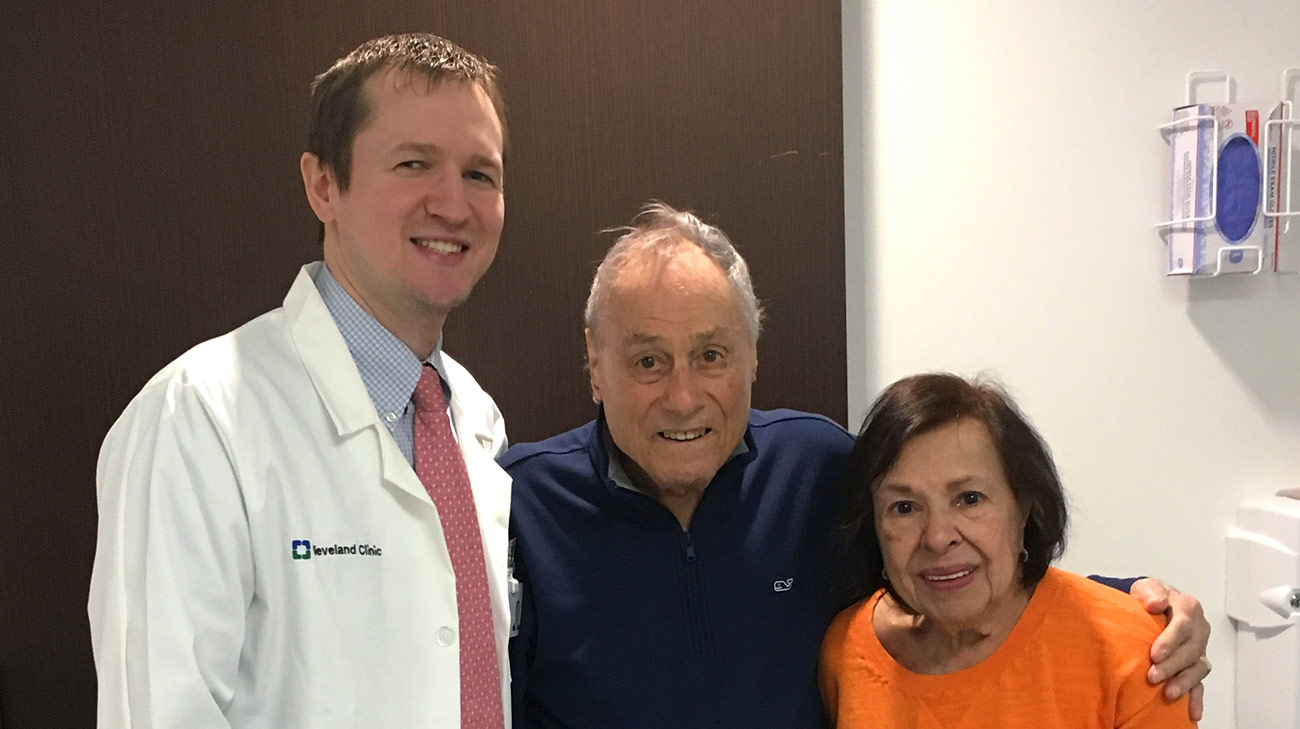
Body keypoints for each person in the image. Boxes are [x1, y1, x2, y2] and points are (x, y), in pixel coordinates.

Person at [503, 203, 1211, 729]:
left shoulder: (818, 466)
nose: (684, 395)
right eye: (648, 360)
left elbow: (949, 555)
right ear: (595, 366)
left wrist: (1138, 601)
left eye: (712, 355)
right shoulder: (514, 505)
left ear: (753, 359)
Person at [89, 34, 511, 729]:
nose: (454, 205)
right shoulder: (198, 419)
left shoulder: (475, 419)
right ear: (323, 186)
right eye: (414, 164)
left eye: (481, 174)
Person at [820, 373, 1195, 728]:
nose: (937, 537)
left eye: (969, 499)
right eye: (904, 507)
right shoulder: (846, 651)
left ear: (1025, 507)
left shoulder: (1137, 654)